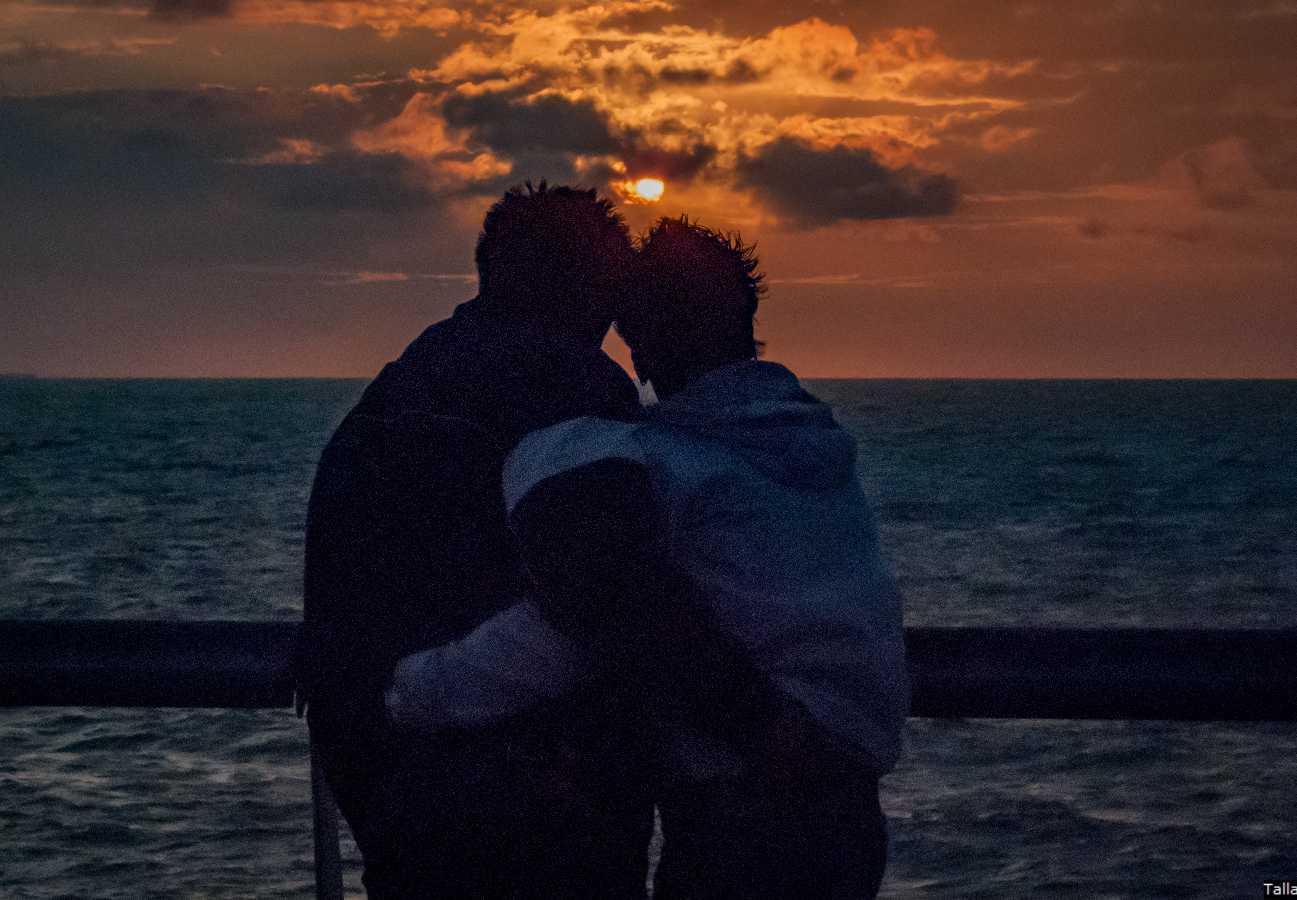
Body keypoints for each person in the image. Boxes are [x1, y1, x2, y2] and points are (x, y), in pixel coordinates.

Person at [387, 217, 910, 899]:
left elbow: (584, 623)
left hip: (746, 805)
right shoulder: (814, 447)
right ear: (745, 320)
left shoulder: (658, 468)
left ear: (637, 346)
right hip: (852, 812)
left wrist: (413, 688)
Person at [289, 182, 656, 900]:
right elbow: (614, 592)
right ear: (590, 290)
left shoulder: (393, 393)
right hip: (549, 806)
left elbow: (337, 610)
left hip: (393, 794)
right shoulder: (579, 387)